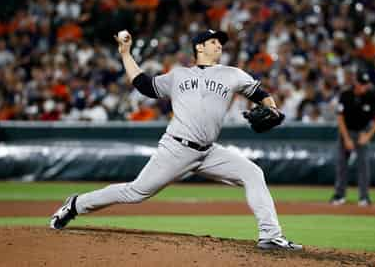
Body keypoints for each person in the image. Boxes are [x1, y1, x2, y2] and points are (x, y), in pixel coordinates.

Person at [49, 29, 302, 251]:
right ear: (199, 47)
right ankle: (75, 204)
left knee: (253, 173)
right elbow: (144, 85)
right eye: (213, 41)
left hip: (209, 152)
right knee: (135, 192)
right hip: (176, 148)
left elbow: (261, 94)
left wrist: (273, 109)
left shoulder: (233, 74)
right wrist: (126, 54)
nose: (219, 45)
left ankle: (270, 236)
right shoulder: (179, 75)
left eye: (220, 42)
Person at [330, 71, 375, 206]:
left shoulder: (372, 97)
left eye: (365, 84)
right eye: (361, 84)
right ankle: (339, 195)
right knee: (341, 164)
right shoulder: (346, 95)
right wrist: (346, 138)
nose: (364, 87)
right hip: (346, 132)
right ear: (356, 83)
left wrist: (368, 135)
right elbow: (340, 117)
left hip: (362, 133)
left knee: (364, 165)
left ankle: (364, 197)